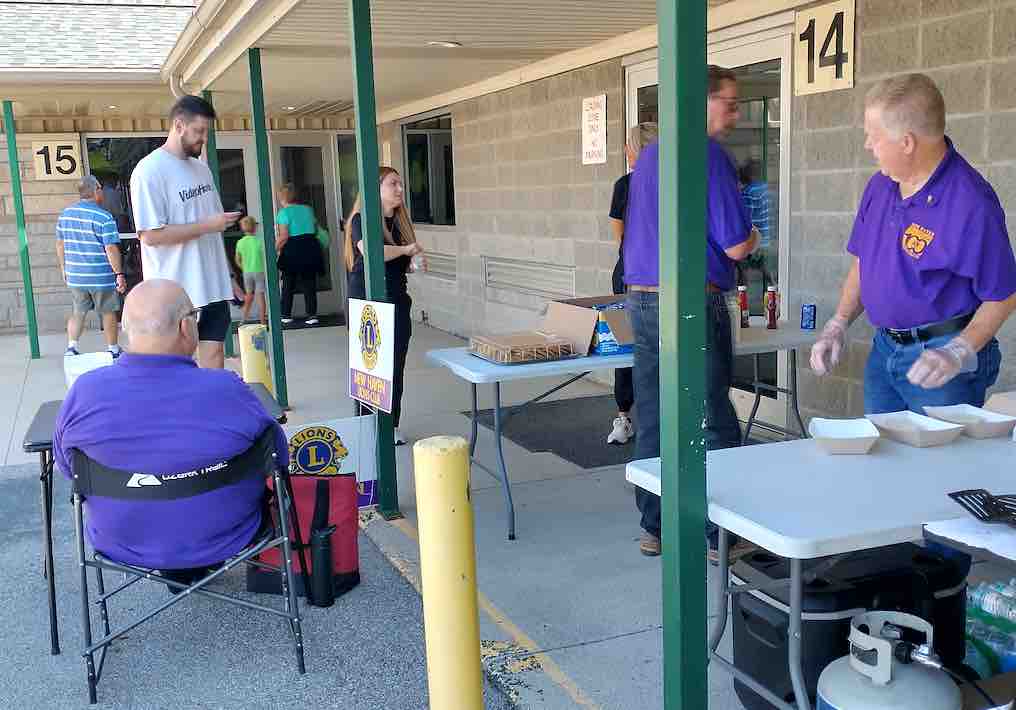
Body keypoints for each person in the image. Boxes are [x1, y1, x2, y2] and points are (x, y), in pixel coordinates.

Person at [52, 279, 288, 586]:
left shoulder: (84, 392)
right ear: (186, 327)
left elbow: (68, 468)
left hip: (122, 539)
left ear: (124, 328)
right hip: (227, 532)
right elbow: (277, 456)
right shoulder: (228, 389)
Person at [810, 74, 1016, 414]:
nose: (866, 145)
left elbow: (1004, 294)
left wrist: (959, 351)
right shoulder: (880, 186)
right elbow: (864, 263)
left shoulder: (970, 202)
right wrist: (838, 323)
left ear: (906, 142)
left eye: (873, 137)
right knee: (882, 460)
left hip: (939, 361)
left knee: (935, 466)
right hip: (885, 349)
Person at [624, 65, 759, 558]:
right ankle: (718, 532)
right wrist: (756, 236)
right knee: (710, 414)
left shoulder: (651, 156)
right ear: (701, 102)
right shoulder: (708, 156)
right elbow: (738, 245)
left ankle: (655, 525)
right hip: (691, 301)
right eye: (729, 101)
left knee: (656, 413)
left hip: (643, 299)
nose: (736, 112)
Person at [129, 94, 241, 369]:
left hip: (212, 285)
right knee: (176, 366)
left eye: (206, 133)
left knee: (215, 358)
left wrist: (229, 277)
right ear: (179, 125)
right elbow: (151, 236)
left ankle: (211, 411)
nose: (204, 139)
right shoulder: (149, 171)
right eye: (199, 131)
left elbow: (214, 228)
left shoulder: (202, 170)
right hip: (175, 292)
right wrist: (206, 226)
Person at [344, 167, 424, 446]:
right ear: (375, 189)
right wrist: (405, 251)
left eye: (401, 184)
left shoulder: (401, 224)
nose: (400, 189)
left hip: (398, 300)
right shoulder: (361, 220)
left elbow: (406, 262)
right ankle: (367, 425)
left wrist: (414, 261)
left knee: (394, 367)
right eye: (393, 184)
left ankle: (390, 425)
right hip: (369, 301)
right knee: (370, 368)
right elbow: (371, 250)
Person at [606, 122, 657, 446]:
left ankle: (631, 418)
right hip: (639, 276)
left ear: (636, 150)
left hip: (635, 273)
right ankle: (627, 416)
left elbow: (620, 234)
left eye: (628, 145)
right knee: (636, 344)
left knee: (633, 345)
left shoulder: (630, 184)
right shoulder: (628, 184)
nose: (625, 151)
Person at [55, 175, 127, 357]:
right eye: (100, 188)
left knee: (78, 312)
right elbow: (110, 247)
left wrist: (64, 269)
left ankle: (71, 347)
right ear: (96, 191)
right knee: (108, 312)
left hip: (76, 276)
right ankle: (113, 349)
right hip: (100, 276)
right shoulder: (104, 217)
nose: (102, 192)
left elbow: (60, 244)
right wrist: (119, 273)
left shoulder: (65, 215)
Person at [275, 183, 325, 326]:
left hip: (292, 248)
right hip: (310, 246)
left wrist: (273, 250)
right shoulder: (308, 210)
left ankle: (285, 315)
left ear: (282, 198)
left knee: (288, 283)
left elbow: (284, 236)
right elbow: (315, 229)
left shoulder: (283, 213)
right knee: (309, 283)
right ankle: (312, 315)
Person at [235, 216, 267, 325]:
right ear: (255, 228)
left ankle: (243, 319)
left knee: (249, 296)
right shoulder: (259, 242)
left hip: (247, 272)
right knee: (260, 296)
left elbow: (238, 259)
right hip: (259, 271)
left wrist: (243, 268)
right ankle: (263, 321)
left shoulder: (240, 242)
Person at [738, 159, 771, 247]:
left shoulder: (748, 193)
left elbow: (744, 219)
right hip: (768, 240)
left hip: (756, 244)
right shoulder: (766, 188)